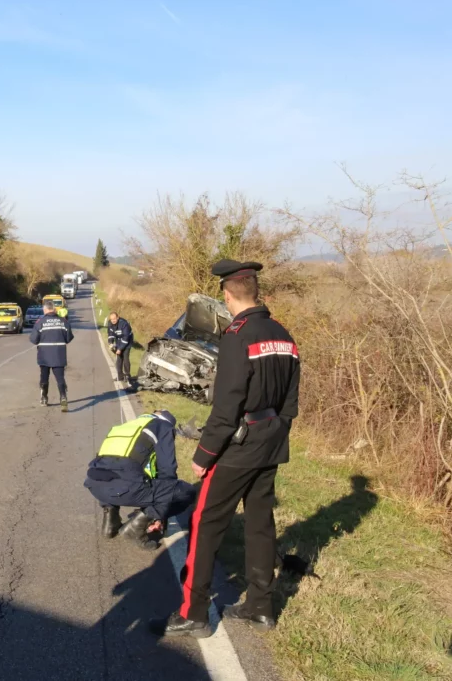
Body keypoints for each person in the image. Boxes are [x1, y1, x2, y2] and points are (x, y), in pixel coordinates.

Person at [158, 259, 300, 639]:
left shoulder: (238, 334)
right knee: (259, 523)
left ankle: (194, 613)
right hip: (271, 442)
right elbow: (291, 401)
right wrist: (276, 431)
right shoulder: (283, 334)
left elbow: (228, 403)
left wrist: (204, 454)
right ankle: (260, 605)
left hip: (238, 446)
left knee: (205, 525)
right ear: (256, 292)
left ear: (226, 294)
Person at [85, 410, 196, 548]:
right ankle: (134, 528)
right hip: (125, 489)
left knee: (115, 473)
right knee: (186, 492)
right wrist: (159, 512)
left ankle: (110, 522)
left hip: (95, 486)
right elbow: (168, 473)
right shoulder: (163, 426)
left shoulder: (126, 427)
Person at [30, 299, 74, 411]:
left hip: (44, 355)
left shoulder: (40, 322)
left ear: (45, 310)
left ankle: (44, 398)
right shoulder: (63, 321)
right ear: (54, 309)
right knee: (60, 378)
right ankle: (63, 397)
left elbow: (34, 340)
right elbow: (69, 338)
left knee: (44, 378)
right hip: (59, 355)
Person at [106, 311, 134, 384]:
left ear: (118, 317)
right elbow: (110, 334)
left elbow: (125, 338)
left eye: (114, 319)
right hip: (118, 340)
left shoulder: (124, 324)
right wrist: (110, 343)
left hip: (127, 341)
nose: (113, 321)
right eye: (111, 319)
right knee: (119, 358)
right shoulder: (110, 324)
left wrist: (120, 349)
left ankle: (127, 376)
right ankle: (120, 376)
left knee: (125, 357)